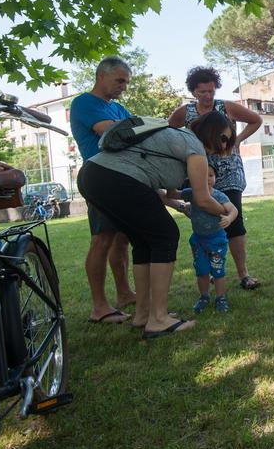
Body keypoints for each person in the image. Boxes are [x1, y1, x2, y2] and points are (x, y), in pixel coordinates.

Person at [77, 118, 225, 338]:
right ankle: (159, 319)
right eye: (224, 138)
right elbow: (203, 199)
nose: (225, 144)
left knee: (144, 241)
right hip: (114, 178)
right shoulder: (195, 146)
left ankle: (144, 314)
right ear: (211, 133)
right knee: (166, 235)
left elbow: (164, 193)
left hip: (92, 174)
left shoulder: (175, 138)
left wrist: (180, 206)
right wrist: (226, 212)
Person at [168, 66, 263, 290]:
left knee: (234, 219)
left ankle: (243, 274)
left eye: (211, 91)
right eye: (202, 92)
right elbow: (168, 131)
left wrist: (237, 141)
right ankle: (211, 270)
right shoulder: (185, 112)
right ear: (193, 92)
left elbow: (256, 120)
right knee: (205, 220)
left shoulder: (226, 107)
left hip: (229, 170)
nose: (208, 96)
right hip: (200, 171)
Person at [69, 56, 135, 324]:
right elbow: (108, 131)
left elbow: (136, 130)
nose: (124, 87)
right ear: (101, 76)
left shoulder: (118, 108)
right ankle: (99, 306)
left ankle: (125, 293)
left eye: (126, 82)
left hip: (121, 177)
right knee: (102, 238)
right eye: (120, 80)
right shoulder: (83, 102)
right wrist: (136, 127)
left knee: (122, 239)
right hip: (99, 177)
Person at [187, 166, 237, 314]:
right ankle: (204, 297)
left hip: (216, 240)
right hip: (198, 240)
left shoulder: (219, 196)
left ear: (215, 178)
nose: (207, 178)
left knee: (218, 270)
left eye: (211, 175)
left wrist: (229, 218)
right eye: (203, 174)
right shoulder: (191, 193)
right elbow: (172, 194)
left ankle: (221, 297)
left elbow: (233, 210)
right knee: (201, 270)